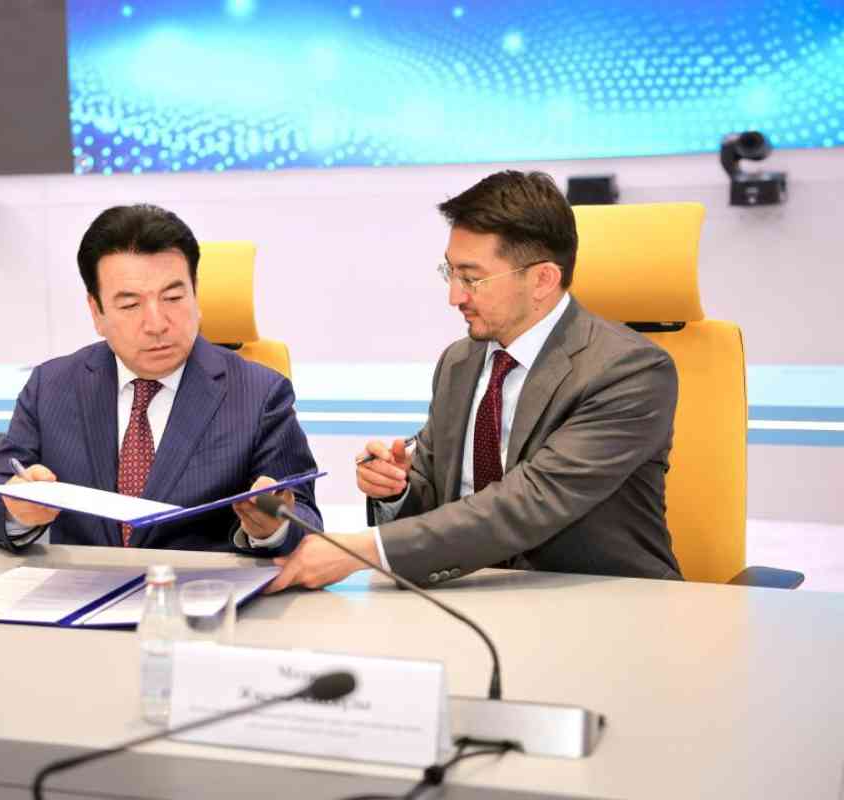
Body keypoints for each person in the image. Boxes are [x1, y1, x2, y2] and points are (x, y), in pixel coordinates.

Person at [267, 170, 681, 592]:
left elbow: (526, 504)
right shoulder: (460, 361)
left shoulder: (629, 371)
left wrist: (363, 550)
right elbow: (437, 510)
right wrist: (396, 490)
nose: (454, 296)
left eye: (472, 278)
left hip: (605, 603)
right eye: (449, 273)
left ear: (543, 279)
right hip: (471, 597)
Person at [0, 203, 321, 554]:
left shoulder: (259, 393)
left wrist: (273, 526)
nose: (157, 324)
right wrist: (14, 508)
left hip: (200, 589)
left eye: (173, 297)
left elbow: (303, 514)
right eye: (130, 305)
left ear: (196, 294)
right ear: (96, 312)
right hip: (83, 587)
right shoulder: (52, 386)